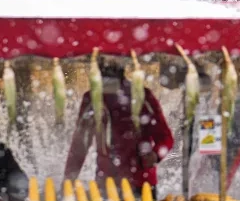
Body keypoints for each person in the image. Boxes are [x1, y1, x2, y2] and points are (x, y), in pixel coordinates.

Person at [64, 61, 175, 190]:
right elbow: (80, 145)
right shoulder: (92, 99)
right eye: (104, 65)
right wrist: (68, 180)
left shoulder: (143, 97)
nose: (108, 70)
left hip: (141, 183)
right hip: (107, 183)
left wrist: (155, 155)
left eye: (113, 65)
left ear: (123, 68)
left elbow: (165, 137)